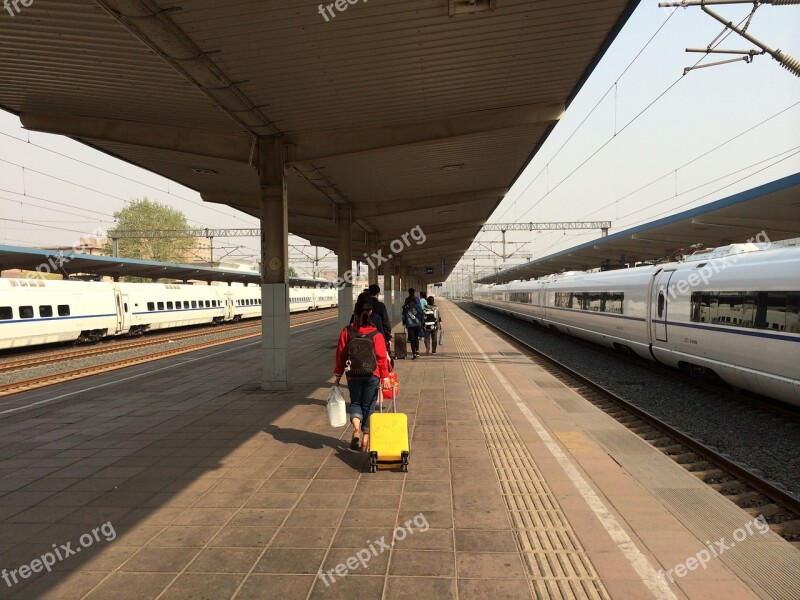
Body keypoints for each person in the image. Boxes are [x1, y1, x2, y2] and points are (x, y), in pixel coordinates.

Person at [335, 301, 391, 451]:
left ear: (355, 312)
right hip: (372, 374)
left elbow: (340, 354)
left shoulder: (346, 331)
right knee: (369, 406)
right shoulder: (376, 334)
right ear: (370, 313)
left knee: (355, 403)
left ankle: (356, 431)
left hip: (353, 374)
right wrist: (385, 377)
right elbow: (381, 358)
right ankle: (366, 438)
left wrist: (338, 375)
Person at [402, 294, 424, 359]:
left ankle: (414, 353)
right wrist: (421, 322)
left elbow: (403, 316)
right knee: (416, 338)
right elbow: (422, 314)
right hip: (417, 324)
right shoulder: (418, 306)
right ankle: (417, 351)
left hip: (410, 325)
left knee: (412, 339)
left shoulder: (406, 307)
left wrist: (404, 322)